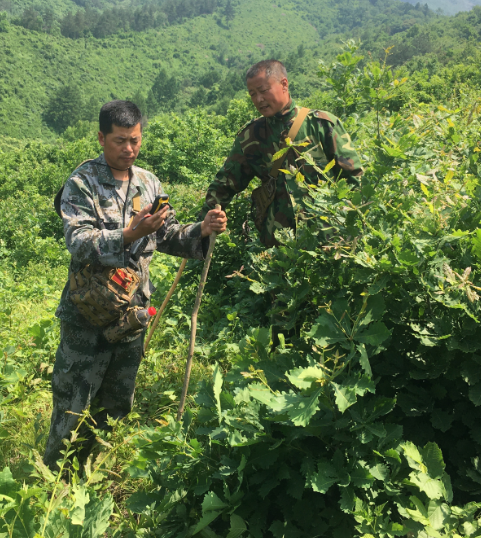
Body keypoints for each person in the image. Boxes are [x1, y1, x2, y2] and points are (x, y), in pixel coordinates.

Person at [44, 100, 227, 470]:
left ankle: (88, 469)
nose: (129, 149)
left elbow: (169, 234)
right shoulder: (82, 182)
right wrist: (129, 234)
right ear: (101, 138)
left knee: (115, 403)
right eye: (119, 141)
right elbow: (78, 242)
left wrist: (201, 230)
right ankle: (53, 482)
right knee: (72, 403)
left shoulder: (148, 182)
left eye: (135, 140)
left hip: (132, 315)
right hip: (88, 315)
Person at [198, 59, 362, 247]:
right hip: (278, 247)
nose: (258, 99)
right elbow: (223, 185)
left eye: (263, 90)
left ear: (284, 84)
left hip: (329, 240)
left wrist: (355, 230)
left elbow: (354, 179)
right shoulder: (251, 137)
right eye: (252, 94)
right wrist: (199, 229)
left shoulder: (321, 125)